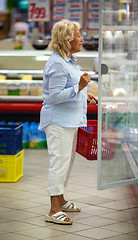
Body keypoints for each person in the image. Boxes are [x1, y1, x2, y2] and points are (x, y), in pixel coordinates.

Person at [39, 19, 97, 225]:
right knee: (59, 163)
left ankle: (61, 199)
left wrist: (85, 94)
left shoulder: (68, 60)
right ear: (67, 39)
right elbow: (53, 96)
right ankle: (53, 210)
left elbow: (69, 87)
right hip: (58, 122)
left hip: (68, 122)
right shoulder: (57, 63)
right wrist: (79, 88)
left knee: (66, 162)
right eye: (79, 35)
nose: (82, 39)